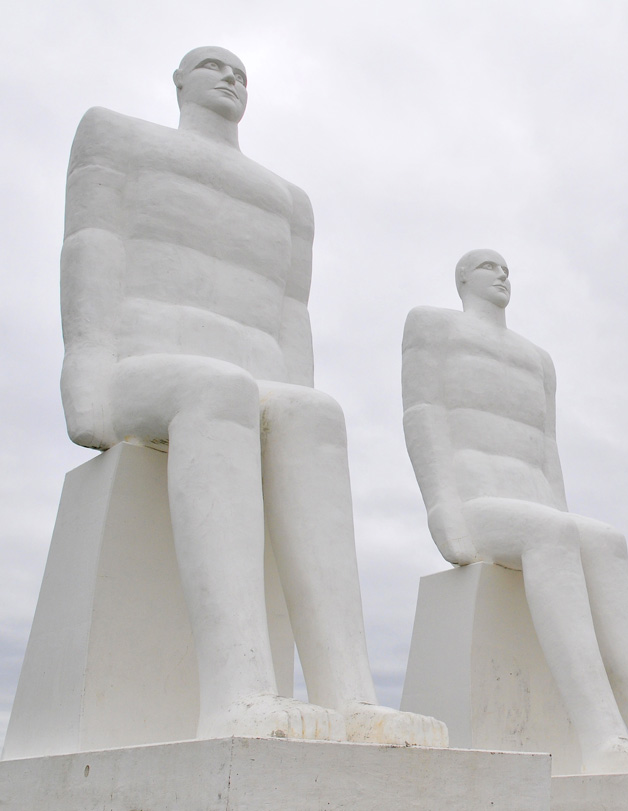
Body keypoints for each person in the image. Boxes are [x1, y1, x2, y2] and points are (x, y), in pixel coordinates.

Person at [58, 46, 446, 746]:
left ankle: (350, 694)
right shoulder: (118, 137)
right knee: (218, 388)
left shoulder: (286, 200)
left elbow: (290, 314)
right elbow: (93, 248)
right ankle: (238, 689)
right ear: (178, 82)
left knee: (314, 410)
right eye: (212, 65)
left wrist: (297, 404)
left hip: (245, 386)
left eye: (241, 71)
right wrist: (84, 378)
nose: (231, 76)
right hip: (143, 369)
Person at [400, 249, 628, 775]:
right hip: (478, 502)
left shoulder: (538, 359)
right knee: (553, 534)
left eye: (507, 267)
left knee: (605, 540)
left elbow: (547, 447)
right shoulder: (432, 325)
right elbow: (422, 412)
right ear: (463, 278)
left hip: (534, 504)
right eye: (489, 266)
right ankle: (604, 734)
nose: (503, 273)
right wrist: (442, 505)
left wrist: (563, 512)